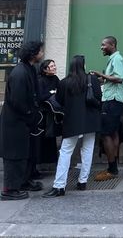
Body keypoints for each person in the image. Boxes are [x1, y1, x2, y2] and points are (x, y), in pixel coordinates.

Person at [42, 55, 102, 197]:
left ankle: (59, 185)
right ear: (83, 65)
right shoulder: (92, 79)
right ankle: (83, 181)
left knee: (65, 152)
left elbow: (59, 101)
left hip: (72, 121)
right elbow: (98, 97)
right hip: (91, 120)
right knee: (87, 150)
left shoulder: (64, 83)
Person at [0, 41, 44, 200]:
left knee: (23, 153)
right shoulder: (20, 73)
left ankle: (23, 181)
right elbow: (18, 100)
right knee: (14, 156)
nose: (42, 54)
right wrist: (30, 114)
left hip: (23, 122)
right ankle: (9, 190)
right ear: (33, 54)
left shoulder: (29, 69)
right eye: (40, 51)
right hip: (16, 122)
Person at [92, 36, 123, 181]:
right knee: (113, 133)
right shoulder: (113, 59)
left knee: (106, 134)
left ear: (112, 45)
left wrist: (100, 74)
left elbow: (119, 78)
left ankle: (112, 169)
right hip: (114, 99)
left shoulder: (117, 59)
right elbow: (113, 79)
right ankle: (113, 167)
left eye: (103, 45)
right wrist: (102, 79)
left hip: (112, 100)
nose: (101, 47)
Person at [31, 59, 61, 177]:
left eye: (54, 65)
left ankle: (47, 162)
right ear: (45, 69)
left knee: (50, 138)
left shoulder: (56, 79)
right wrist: (52, 92)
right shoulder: (40, 81)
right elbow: (40, 97)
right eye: (51, 66)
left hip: (51, 115)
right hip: (42, 116)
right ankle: (35, 167)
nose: (54, 67)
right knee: (39, 141)